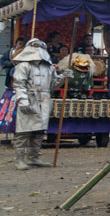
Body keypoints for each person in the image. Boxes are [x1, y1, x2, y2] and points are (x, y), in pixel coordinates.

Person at [11, 39, 68, 169]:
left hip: (44, 99)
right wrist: (23, 100)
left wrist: (63, 77)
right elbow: (19, 84)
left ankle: (33, 157)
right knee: (24, 131)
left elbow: (52, 85)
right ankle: (20, 159)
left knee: (39, 131)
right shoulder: (23, 66)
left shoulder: (48, 67)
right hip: (29, 98)